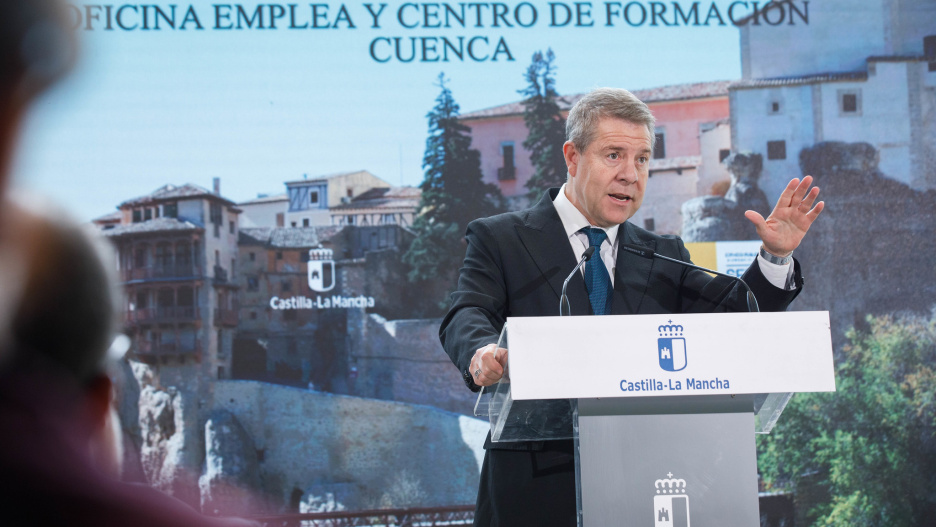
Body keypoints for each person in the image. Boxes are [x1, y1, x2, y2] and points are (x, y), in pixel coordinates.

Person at [439, 88, 824, 526]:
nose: (630, 174)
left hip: (643, 486)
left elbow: (733, 319)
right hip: (533, 493)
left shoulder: (664, 253)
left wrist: (774, 257)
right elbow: (467, 311)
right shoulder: (501, 238)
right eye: (614, 156)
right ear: (573, 157)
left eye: (642, 159)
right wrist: (482, 352)